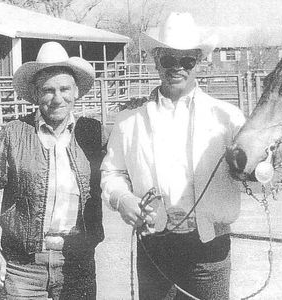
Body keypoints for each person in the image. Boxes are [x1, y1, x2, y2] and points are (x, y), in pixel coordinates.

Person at [101, 12, 246, 300]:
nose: (176, 68)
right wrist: (122, 199)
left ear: (198, 62)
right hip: (155, 246)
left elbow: (252, 174)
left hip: (209, 248)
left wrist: (252, 168)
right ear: (156, 59)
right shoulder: (130, 119)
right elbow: (112, 173)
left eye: (186, 60)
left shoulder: (228, 118)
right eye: (168, 59)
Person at [0, 41, 105, 299]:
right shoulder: (13, 134)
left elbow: (122, 173)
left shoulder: (93, 134)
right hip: (23, 268)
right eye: (48, 90)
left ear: (76, 91)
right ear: (35, 93)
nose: (57, 98)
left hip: (78, 263)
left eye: (64, 89)